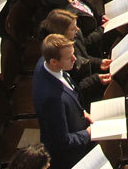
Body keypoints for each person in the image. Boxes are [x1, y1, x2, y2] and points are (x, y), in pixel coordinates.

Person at [32, 35, 91, 169]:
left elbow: (71, 91)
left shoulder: (45, 61)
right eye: (69, 56)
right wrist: (87, 134)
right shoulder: (51, 98)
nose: (75, 59)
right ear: (53, 62)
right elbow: (62, 141)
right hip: (69, 157)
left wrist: (83, 112)